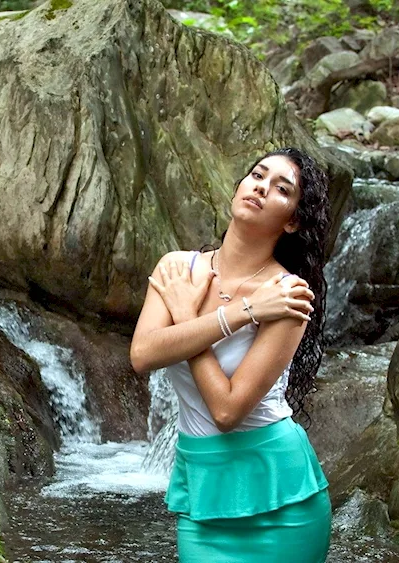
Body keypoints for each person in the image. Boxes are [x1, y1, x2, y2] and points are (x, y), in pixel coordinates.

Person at [129, 148, 332, 562]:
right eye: (257, 174)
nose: (261, 186)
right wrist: (242, 313)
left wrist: (188, 316)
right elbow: (143, 354)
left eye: (281, 188)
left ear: (293, 220)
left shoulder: (289, 294)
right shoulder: (177, 270)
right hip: (204, 488)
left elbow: (227, 411)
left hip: (283, 498)